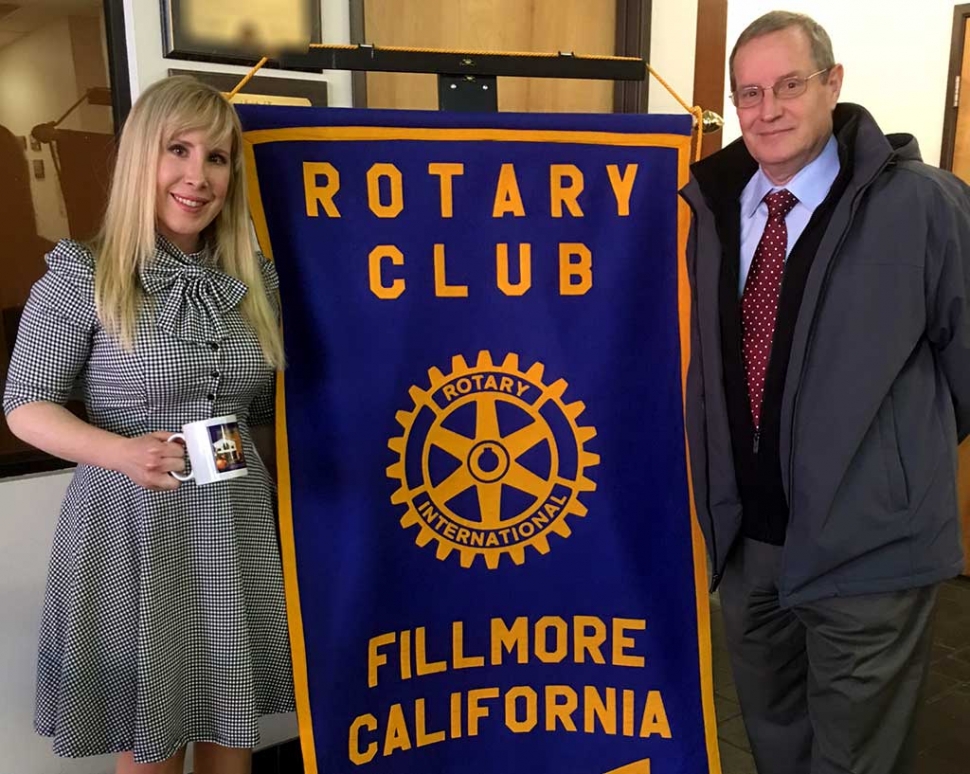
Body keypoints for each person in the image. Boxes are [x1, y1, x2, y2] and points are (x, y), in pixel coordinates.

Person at [680, 11, 970, 774]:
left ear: (833, 84)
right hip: (750, 551)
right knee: (777, 741)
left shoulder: (923, 206)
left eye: (789, 85)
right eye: (749, 93)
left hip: (869, 554)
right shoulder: (716, 209)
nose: (767, 109)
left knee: (857, 761)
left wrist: (889, 471)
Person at [3, 75, 292, 773]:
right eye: (179, 150)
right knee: (153, 735)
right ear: (142, 159)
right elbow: (25, 404)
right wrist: (119, 451)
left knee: (233, 727)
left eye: (217, 158)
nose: (198, 177)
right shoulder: (83, 276)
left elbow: (259, 417)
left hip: (234, 518)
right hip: (131, 523)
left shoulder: (253, 285)